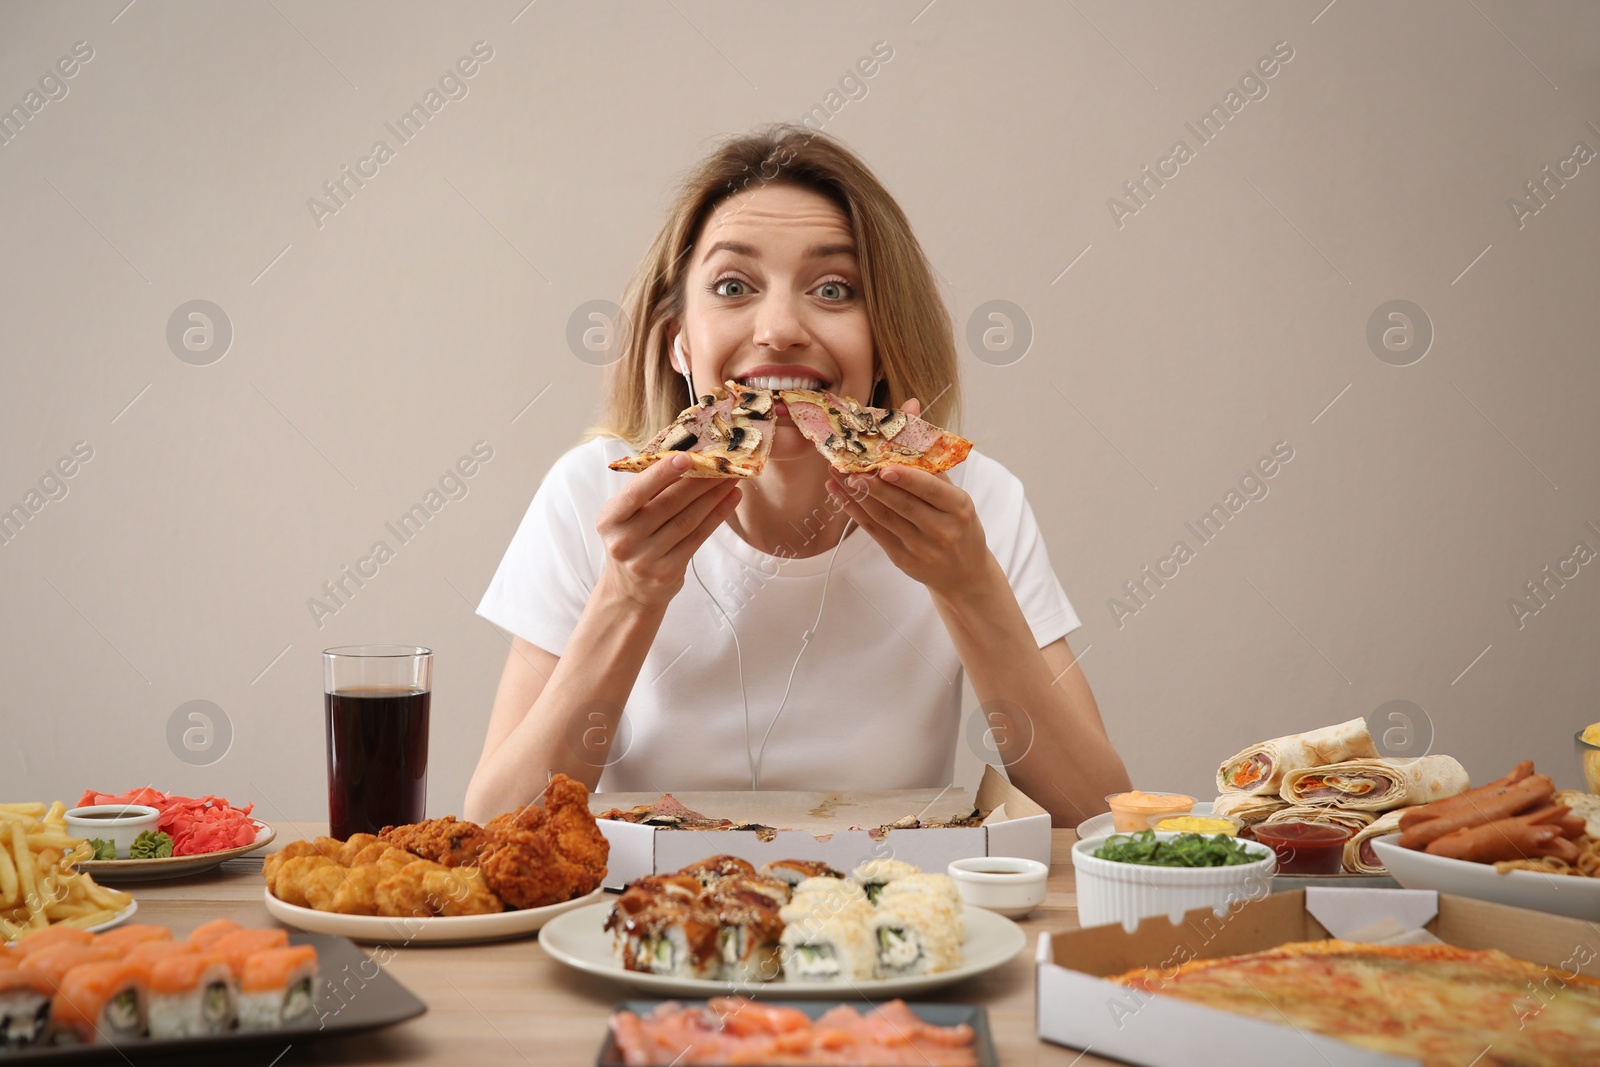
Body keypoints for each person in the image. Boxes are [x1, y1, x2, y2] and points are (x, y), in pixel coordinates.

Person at [465, 125, 1129, 826]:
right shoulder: (590, 495)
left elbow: (1099, 818)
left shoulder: (974, 500)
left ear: (883, 346)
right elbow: (491, 828)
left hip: (884, 919)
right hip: (649, 920)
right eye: (732, 285)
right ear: (680, 344)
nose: (780, 327)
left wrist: (969, 588)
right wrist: (628, 596)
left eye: (834, 289)